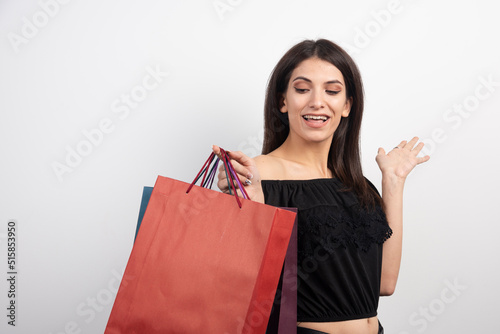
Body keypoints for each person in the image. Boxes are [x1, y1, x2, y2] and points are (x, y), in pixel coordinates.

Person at [213, 39, 429, 334]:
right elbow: (235, 289)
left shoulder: (357, 186)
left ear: (347, 105)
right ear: (282, 101)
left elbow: (385, 284)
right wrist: (250, 203)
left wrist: (393, 183)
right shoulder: (258, 175)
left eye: (332, 91)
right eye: (302, 89)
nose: (317, 101)